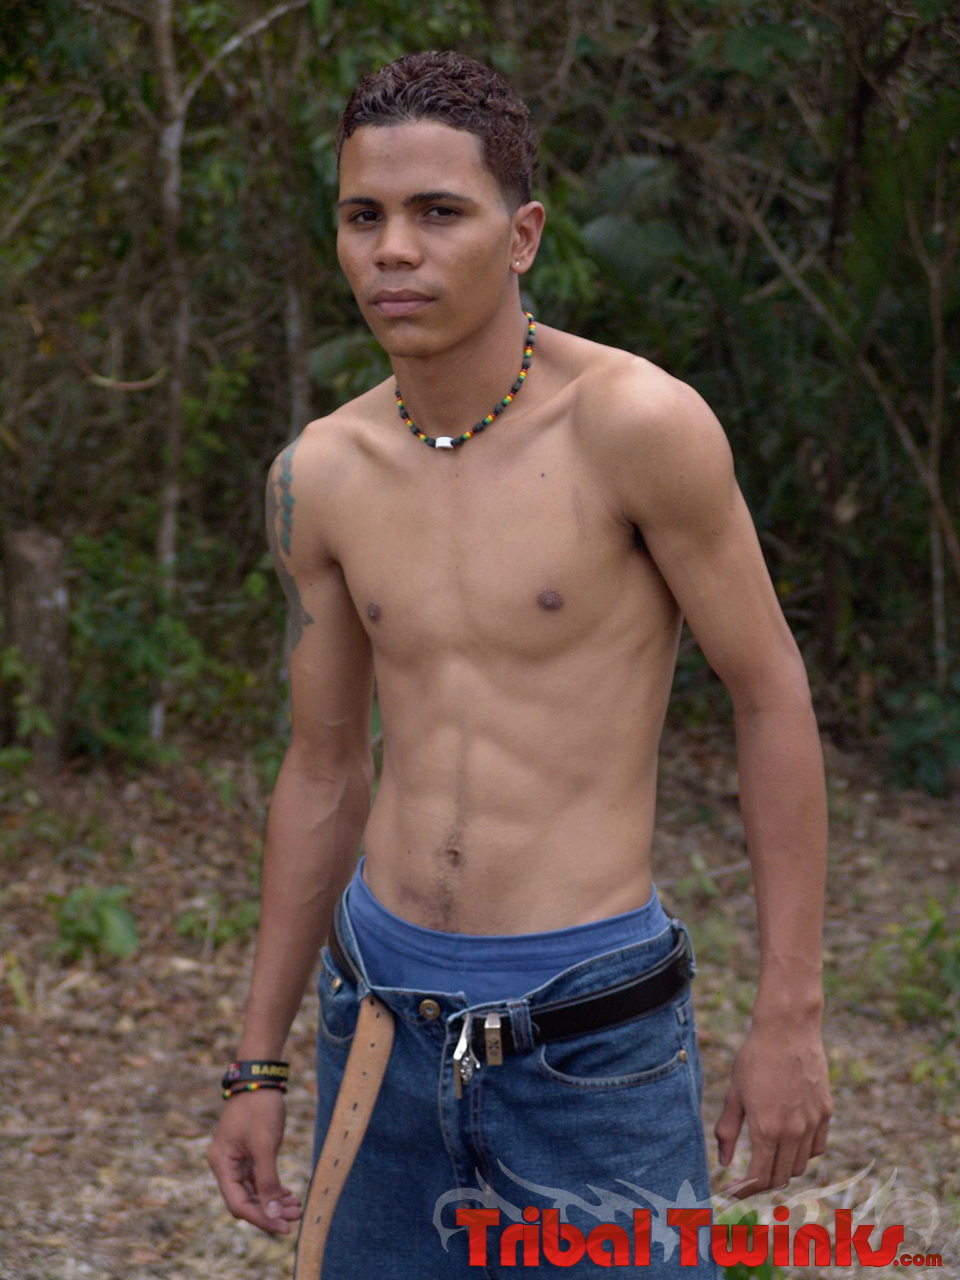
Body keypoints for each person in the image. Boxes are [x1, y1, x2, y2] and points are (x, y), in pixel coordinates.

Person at [207, 49, 832, 1276]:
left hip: (590, 1041)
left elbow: (771, 696)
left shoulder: (635, 426)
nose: (395, 250)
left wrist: (790, 1014)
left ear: (524, 233)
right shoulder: (319, 474)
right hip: (377, 1024)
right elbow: (324, 767)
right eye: (363, 216)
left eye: (439, 211)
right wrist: (258, 1060)